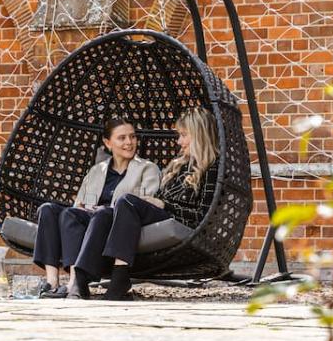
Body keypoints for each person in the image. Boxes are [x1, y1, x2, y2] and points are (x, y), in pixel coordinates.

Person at [69, 106, 220, 301]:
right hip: (157, 215)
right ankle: (81, 277)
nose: (179, 141)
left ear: (199, 135)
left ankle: (120, 277)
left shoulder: (212, 168)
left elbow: (203, 215)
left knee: (126, 201)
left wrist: (164, 205)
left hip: (177, 220)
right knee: (106, 213)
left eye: (183, 135)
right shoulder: (179, 165)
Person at [33, 118, 160, 297]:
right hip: (91, 219)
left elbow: (142, 203)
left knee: (99, 213)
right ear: (108, 143)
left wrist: (100, 209)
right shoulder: (96, 170)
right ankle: (52, 281)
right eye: (122, 138)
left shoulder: (147, 169)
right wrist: (84, 208)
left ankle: (76, 283)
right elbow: (79, 203)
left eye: (132, 137)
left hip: (113, 223)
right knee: (51, 209)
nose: (129, 142)